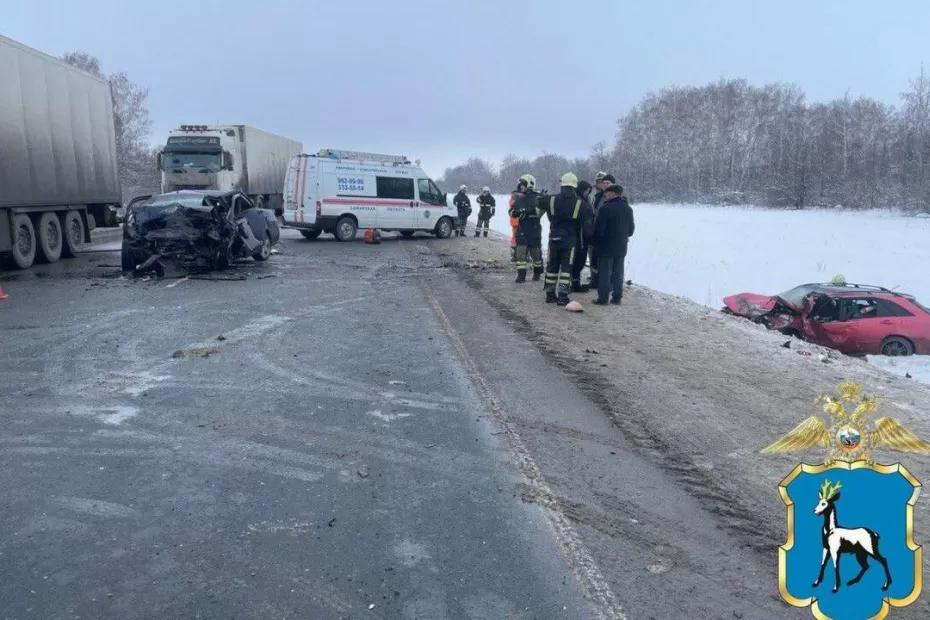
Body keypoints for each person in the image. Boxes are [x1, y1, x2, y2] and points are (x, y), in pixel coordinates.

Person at [543, 173, 585, 305]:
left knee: (552, 266)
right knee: (566, 268)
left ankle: (550, 294)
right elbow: (583, 222)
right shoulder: (580, 202)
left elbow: (547, 213)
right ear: (574, 186)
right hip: (569, 240)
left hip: (554, 237)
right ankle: (562, 296)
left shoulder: (551, 199)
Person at [592, 183, 634, 305]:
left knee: (605, 273)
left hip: (606, 246)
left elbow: (599, 229)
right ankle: (617, 297)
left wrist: (596, 241)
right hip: (621, 246)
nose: (605, 195)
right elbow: (631, 230)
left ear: (614, 194)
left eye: (608, 193)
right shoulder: (628, 208)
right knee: (618, 272)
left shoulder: (605, 209)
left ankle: (603, 298)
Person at [508, 174, 543, 283]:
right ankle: (521, 275)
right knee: (520, 253)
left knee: (536, 254)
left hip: (534, 229)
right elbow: (511, 211)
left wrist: (526, 212)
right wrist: (515, 213)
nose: (521, 187)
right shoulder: (519, 198)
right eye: (520, 185)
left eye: (523, 184)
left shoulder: (538, 197)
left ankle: (537, 273)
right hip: (522, 229)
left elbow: (540, 212)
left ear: (529, 184)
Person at [587, 172, 615, 289]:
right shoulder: (597, 197)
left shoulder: (616, 197)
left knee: (607, 260)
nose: (602, 184)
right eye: (600, 182)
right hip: (596, 231)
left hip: (609, 233)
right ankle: (595, 279)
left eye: (604, 182)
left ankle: (608, 282)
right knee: (594, 256)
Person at [571, 180, 595, 292]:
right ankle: (575, 284)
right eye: (587, 191)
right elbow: (585, 221)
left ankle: (575, 282)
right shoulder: (580, 202)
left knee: (578, 261)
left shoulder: (584, 201)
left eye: (589, 191)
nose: (588, 193)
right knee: (578, 261)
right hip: (580, 236)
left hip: (581, 236)